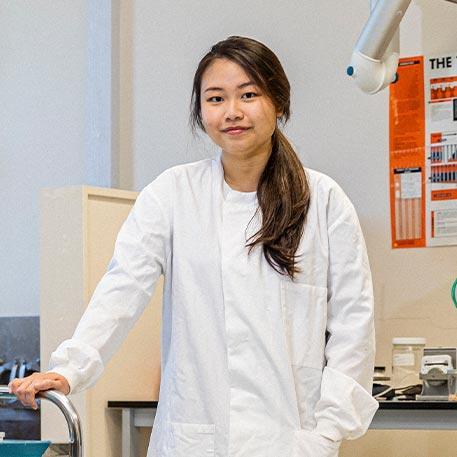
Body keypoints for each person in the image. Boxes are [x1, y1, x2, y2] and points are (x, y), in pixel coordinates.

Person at [10, 36, 378, 456]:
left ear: (279, 101)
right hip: (193, 438)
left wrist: (326, 432)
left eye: (249, 94)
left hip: (291, 440)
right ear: (201, 111)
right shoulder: (172, 194)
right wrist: (70, 369)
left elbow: (354, 326)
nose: (232, 112)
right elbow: (122, 288)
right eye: (216, 98)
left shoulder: (323, 200)